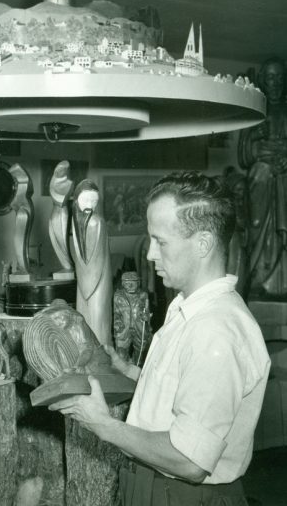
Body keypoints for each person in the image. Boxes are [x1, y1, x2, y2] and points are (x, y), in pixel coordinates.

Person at [50, 172, 270, 505]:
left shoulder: (216, 330)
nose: (150, 254)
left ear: (203, 243)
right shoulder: (187, 309)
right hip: (155, 486)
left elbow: (190, 460)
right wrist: (128, 372)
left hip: (184, 495)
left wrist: (102, 424)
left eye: (161, 241)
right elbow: (183, 395)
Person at [238, 57, 287, 297]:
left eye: (279, 77)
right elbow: (243, 157)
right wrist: (253, 139)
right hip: (262, 178)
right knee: (260, 173)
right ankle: (259, 276)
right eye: (270, 77)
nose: (275, 82)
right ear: (263, 80)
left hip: (285, 173)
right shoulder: (255, 107)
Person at [70, 179, 112, 346]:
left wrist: (86, 282)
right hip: (84, 281)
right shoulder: (76, 222)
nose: (90, 205)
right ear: (76, 200)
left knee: (97, 321)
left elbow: (96, 259)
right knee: (85, 322)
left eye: (94, 201)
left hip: (97, 280)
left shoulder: (97, 221)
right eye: (86, 200)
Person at [113, 271, 151, 366]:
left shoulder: (143, 295)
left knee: (140, 356)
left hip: (139, 329)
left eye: (133, 282)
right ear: (122, 283)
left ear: (138, 283)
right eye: (126, 283)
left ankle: (137, 374)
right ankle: (122, 375)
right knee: (121, 355)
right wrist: (117, 324)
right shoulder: (118, 296)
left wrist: (146, 317)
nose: (129, 285)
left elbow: (146, 311)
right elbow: (116, 313)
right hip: (123, 330)